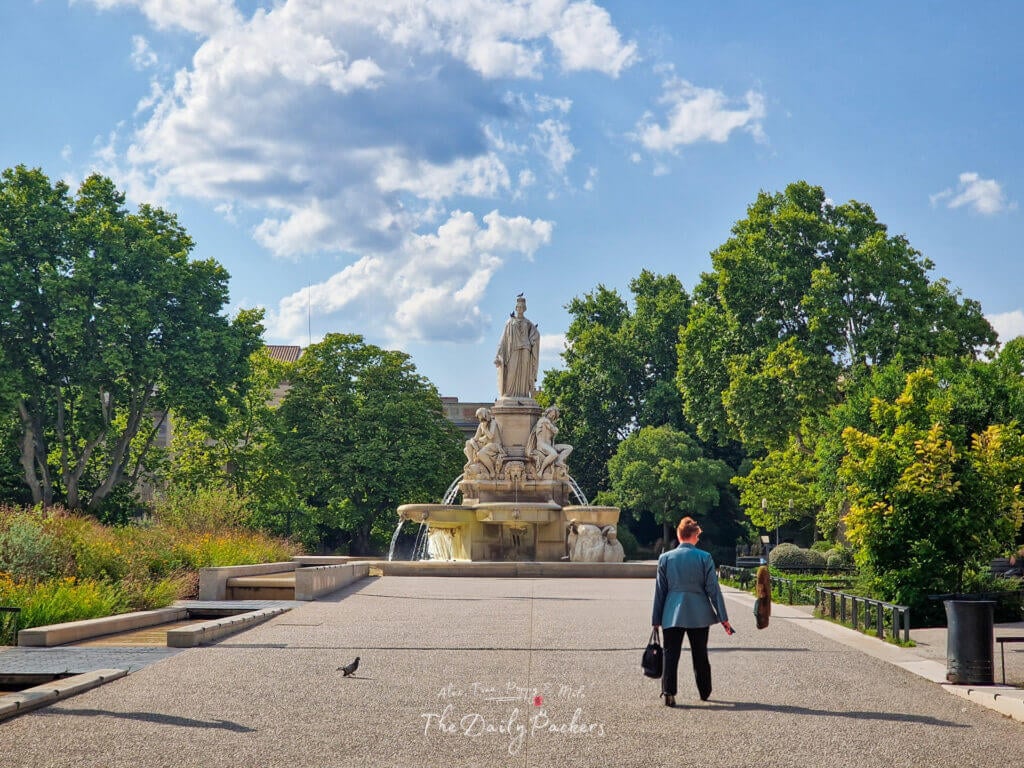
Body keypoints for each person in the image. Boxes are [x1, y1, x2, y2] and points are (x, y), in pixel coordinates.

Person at [652, 516, 733, 706]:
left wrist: (656, 619)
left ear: (679, 535)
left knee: (670, 654)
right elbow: (713, 589)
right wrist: (723, 618)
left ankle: (668, 691)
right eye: (698, 536)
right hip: (699, 612)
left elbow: (660, 591)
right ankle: (704, 691)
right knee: (700, 654)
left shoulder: (665, 558)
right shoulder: (704, 557)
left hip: (672, 612)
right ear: (694, 535)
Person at [494, 295, 540, 399]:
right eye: (518, 307)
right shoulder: (510, 322)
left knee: (524, 373)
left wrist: (532, 339)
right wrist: (497, 355)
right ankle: (509, 393)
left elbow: (536, 334)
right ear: (516, 308)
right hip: (513, 349)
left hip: (525, 349)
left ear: (525, 309)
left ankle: (523, 394)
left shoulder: (527, 323)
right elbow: (503, 338)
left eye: (522, 307)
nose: (520, 309)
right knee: (511, 371)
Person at [527, 405, 572, 478]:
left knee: (569, 448)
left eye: (554, 415)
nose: (552, 416)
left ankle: (559, 461)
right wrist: (555, 429)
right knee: (554, 454)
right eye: (551, 414)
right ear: (548, 412)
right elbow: (554, 430)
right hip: (542, 445)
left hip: (550, 446)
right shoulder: (543, 420)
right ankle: (541, 471)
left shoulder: (550, 422)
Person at [464, 407, 504, 477]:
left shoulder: (493, 422)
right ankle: (471, 461)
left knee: (480, 453)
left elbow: (491, 436)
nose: (481, 420)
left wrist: (485, 429)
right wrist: (472, 441)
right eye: (479, 419)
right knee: (467, 444)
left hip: (495, 444)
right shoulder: (481, 425)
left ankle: (492, 471)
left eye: (482, 419)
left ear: (486, 416)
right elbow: (476, 438)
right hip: (487, 444)